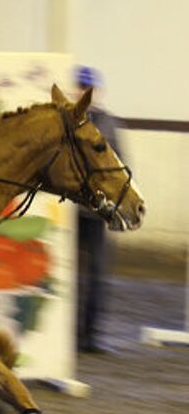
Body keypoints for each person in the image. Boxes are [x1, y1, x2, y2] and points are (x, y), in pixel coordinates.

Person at [74, 65, 123, 353]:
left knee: (97, 274)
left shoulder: (108, 125)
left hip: (97, 212)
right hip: (72, 211)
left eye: (88, 89)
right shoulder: (71, 121)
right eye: (81, 88)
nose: (85, 93)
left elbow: (120, 166)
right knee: (72, 275)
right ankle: (72, 334)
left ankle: (91, 335)